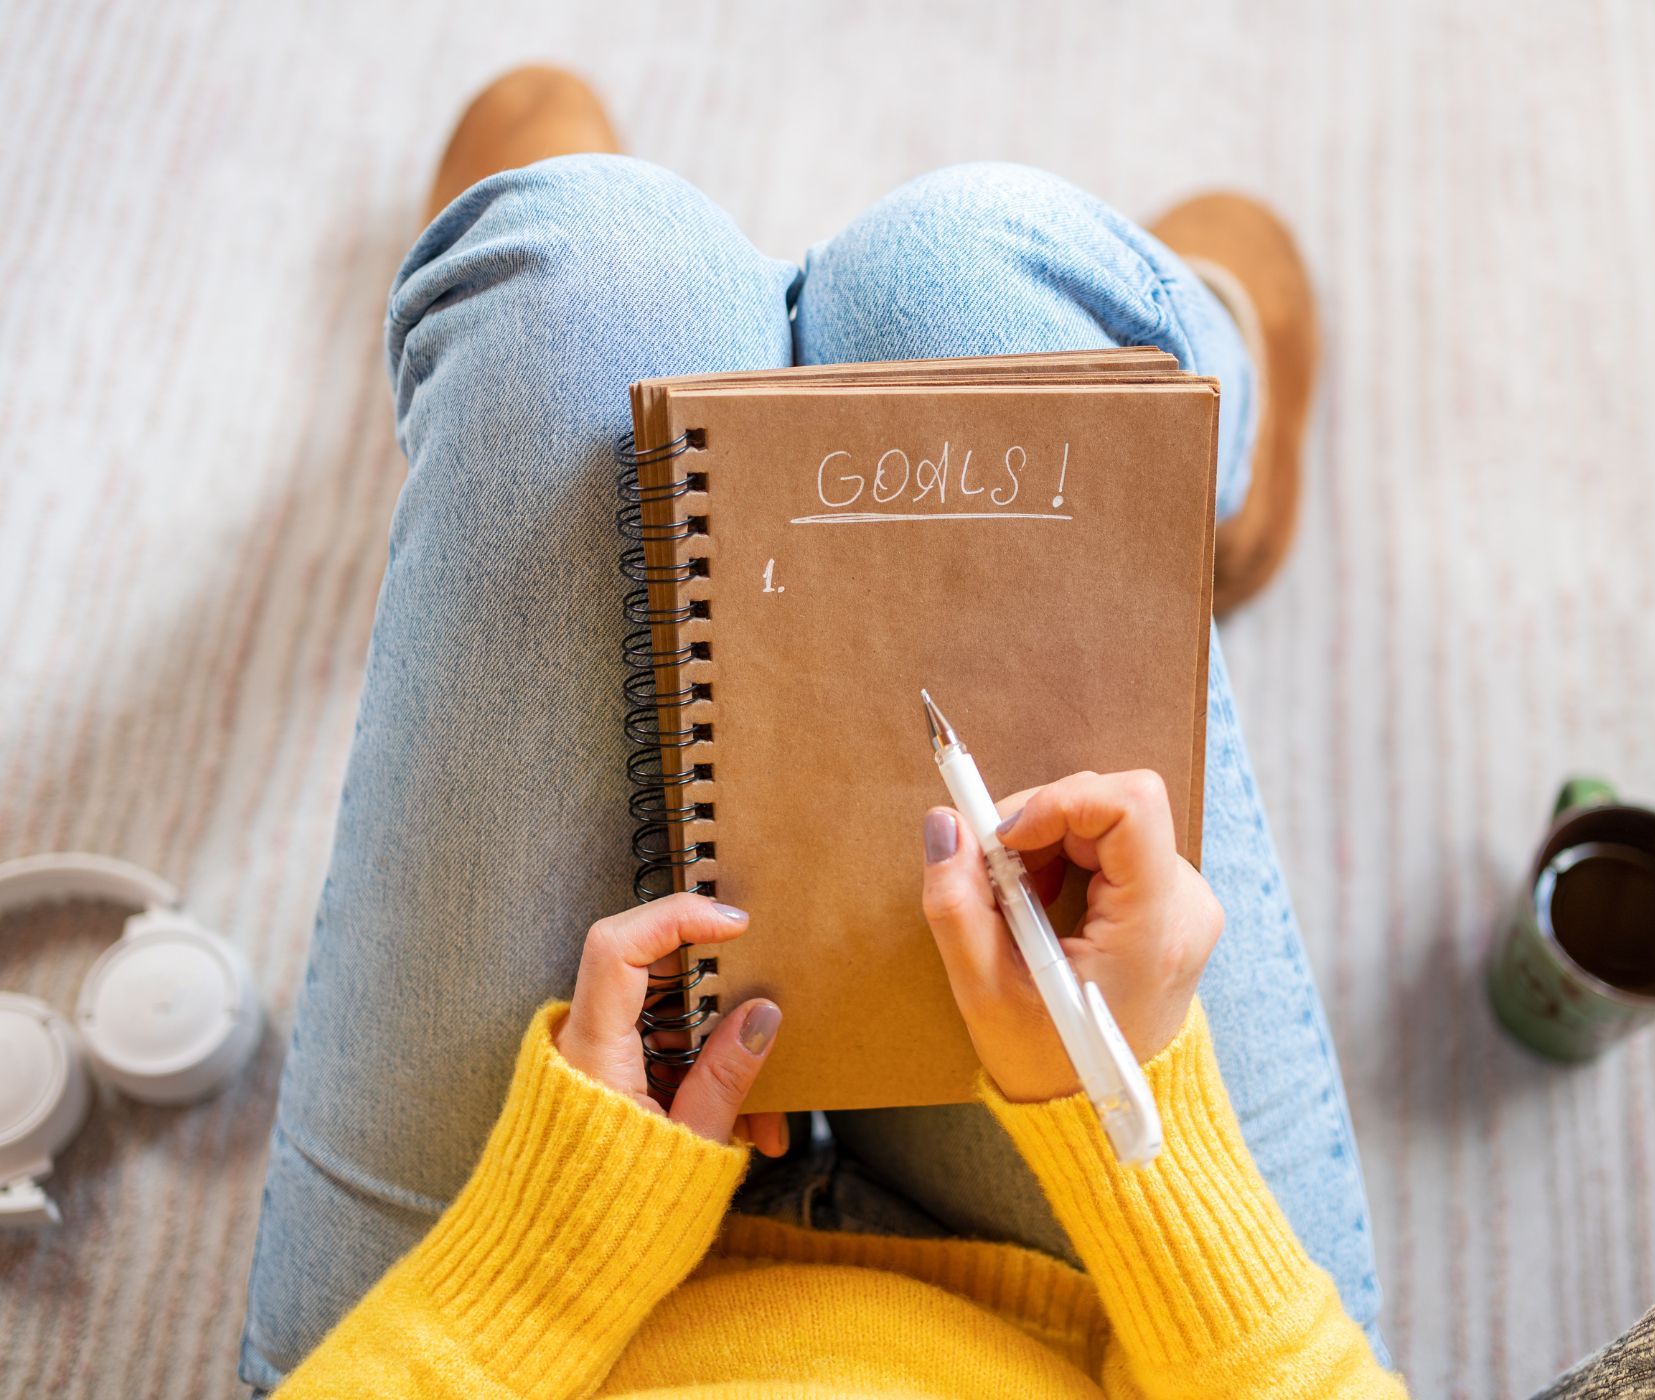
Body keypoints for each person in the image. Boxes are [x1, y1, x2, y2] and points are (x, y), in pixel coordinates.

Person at [239, 67, 1405, 1397]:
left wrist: (546, 1253)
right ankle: (1223, 462)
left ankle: (536, 350)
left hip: (508, 1309)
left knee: (571, 267)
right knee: (975, 267)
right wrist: (1121, 1102)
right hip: (1106, 1303)